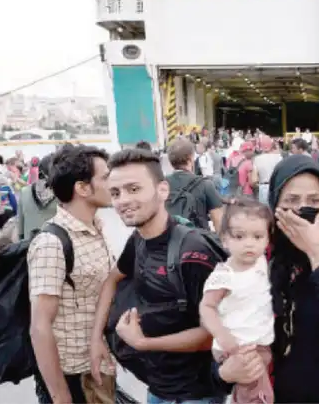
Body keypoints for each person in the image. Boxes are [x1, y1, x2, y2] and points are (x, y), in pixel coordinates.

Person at [216, 155, 319, 403]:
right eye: (291, 200)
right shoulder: (258, 252)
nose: (302, 208)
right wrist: (223, 373)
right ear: (274, 202)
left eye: (313, 201)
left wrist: (317, 254)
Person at [90, 148, 227, 404]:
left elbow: (215, 333)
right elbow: (112, 279)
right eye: (116, 193)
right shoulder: (139, 239)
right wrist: (96, 339)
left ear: (162, 190)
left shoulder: (193, 252)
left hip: (195, 393)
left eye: (134, 189)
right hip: (157, 386)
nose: (123, 201)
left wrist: (143, 343)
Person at [28, 145, 117, 404]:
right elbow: (40, 326)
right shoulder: (51, 243)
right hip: (73, 376)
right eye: (105, 177)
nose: (113, 183)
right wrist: (60, 395)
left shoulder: (97, 227)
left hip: (98, 366)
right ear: (82, 188)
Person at [199, 198, 275, 404]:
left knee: (250, 393)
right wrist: (224, 338)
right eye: (239, 236)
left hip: (257, 343)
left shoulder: (259, 261)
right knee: (259, 397)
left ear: (267, 240)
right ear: (225, 240)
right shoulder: (225, 275)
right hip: (240, 346)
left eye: (258, 236)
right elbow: (206, 306)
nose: (249, 243)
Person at [18, 154, 57, 240]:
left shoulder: (24, 191)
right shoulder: (62, 194)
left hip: (29, 245)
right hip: (56, 245)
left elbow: (20, 229)